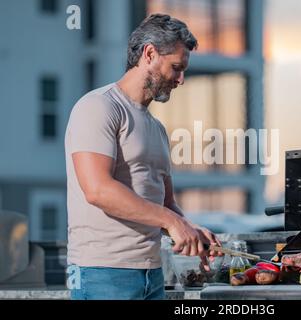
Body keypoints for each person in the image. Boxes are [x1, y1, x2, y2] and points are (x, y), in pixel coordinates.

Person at [65, 13, 221, 300]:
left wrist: (190, 229)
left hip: (152, 274)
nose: (181, 80)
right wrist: (173, 223)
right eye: (176, 68)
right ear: (149, 54)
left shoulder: (157, 129)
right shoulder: (98, 107)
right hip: (102, 272)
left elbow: (165, 204)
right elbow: (98, 190)